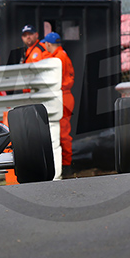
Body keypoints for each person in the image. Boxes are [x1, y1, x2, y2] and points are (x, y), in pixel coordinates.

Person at [41, 32, 75, 177]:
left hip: (62, 97)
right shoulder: (60, 55)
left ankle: (67, 166)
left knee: (63, 134)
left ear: (48, 44)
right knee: (60, 133)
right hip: (63, 96)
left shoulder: (59, 58)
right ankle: (64, 165)